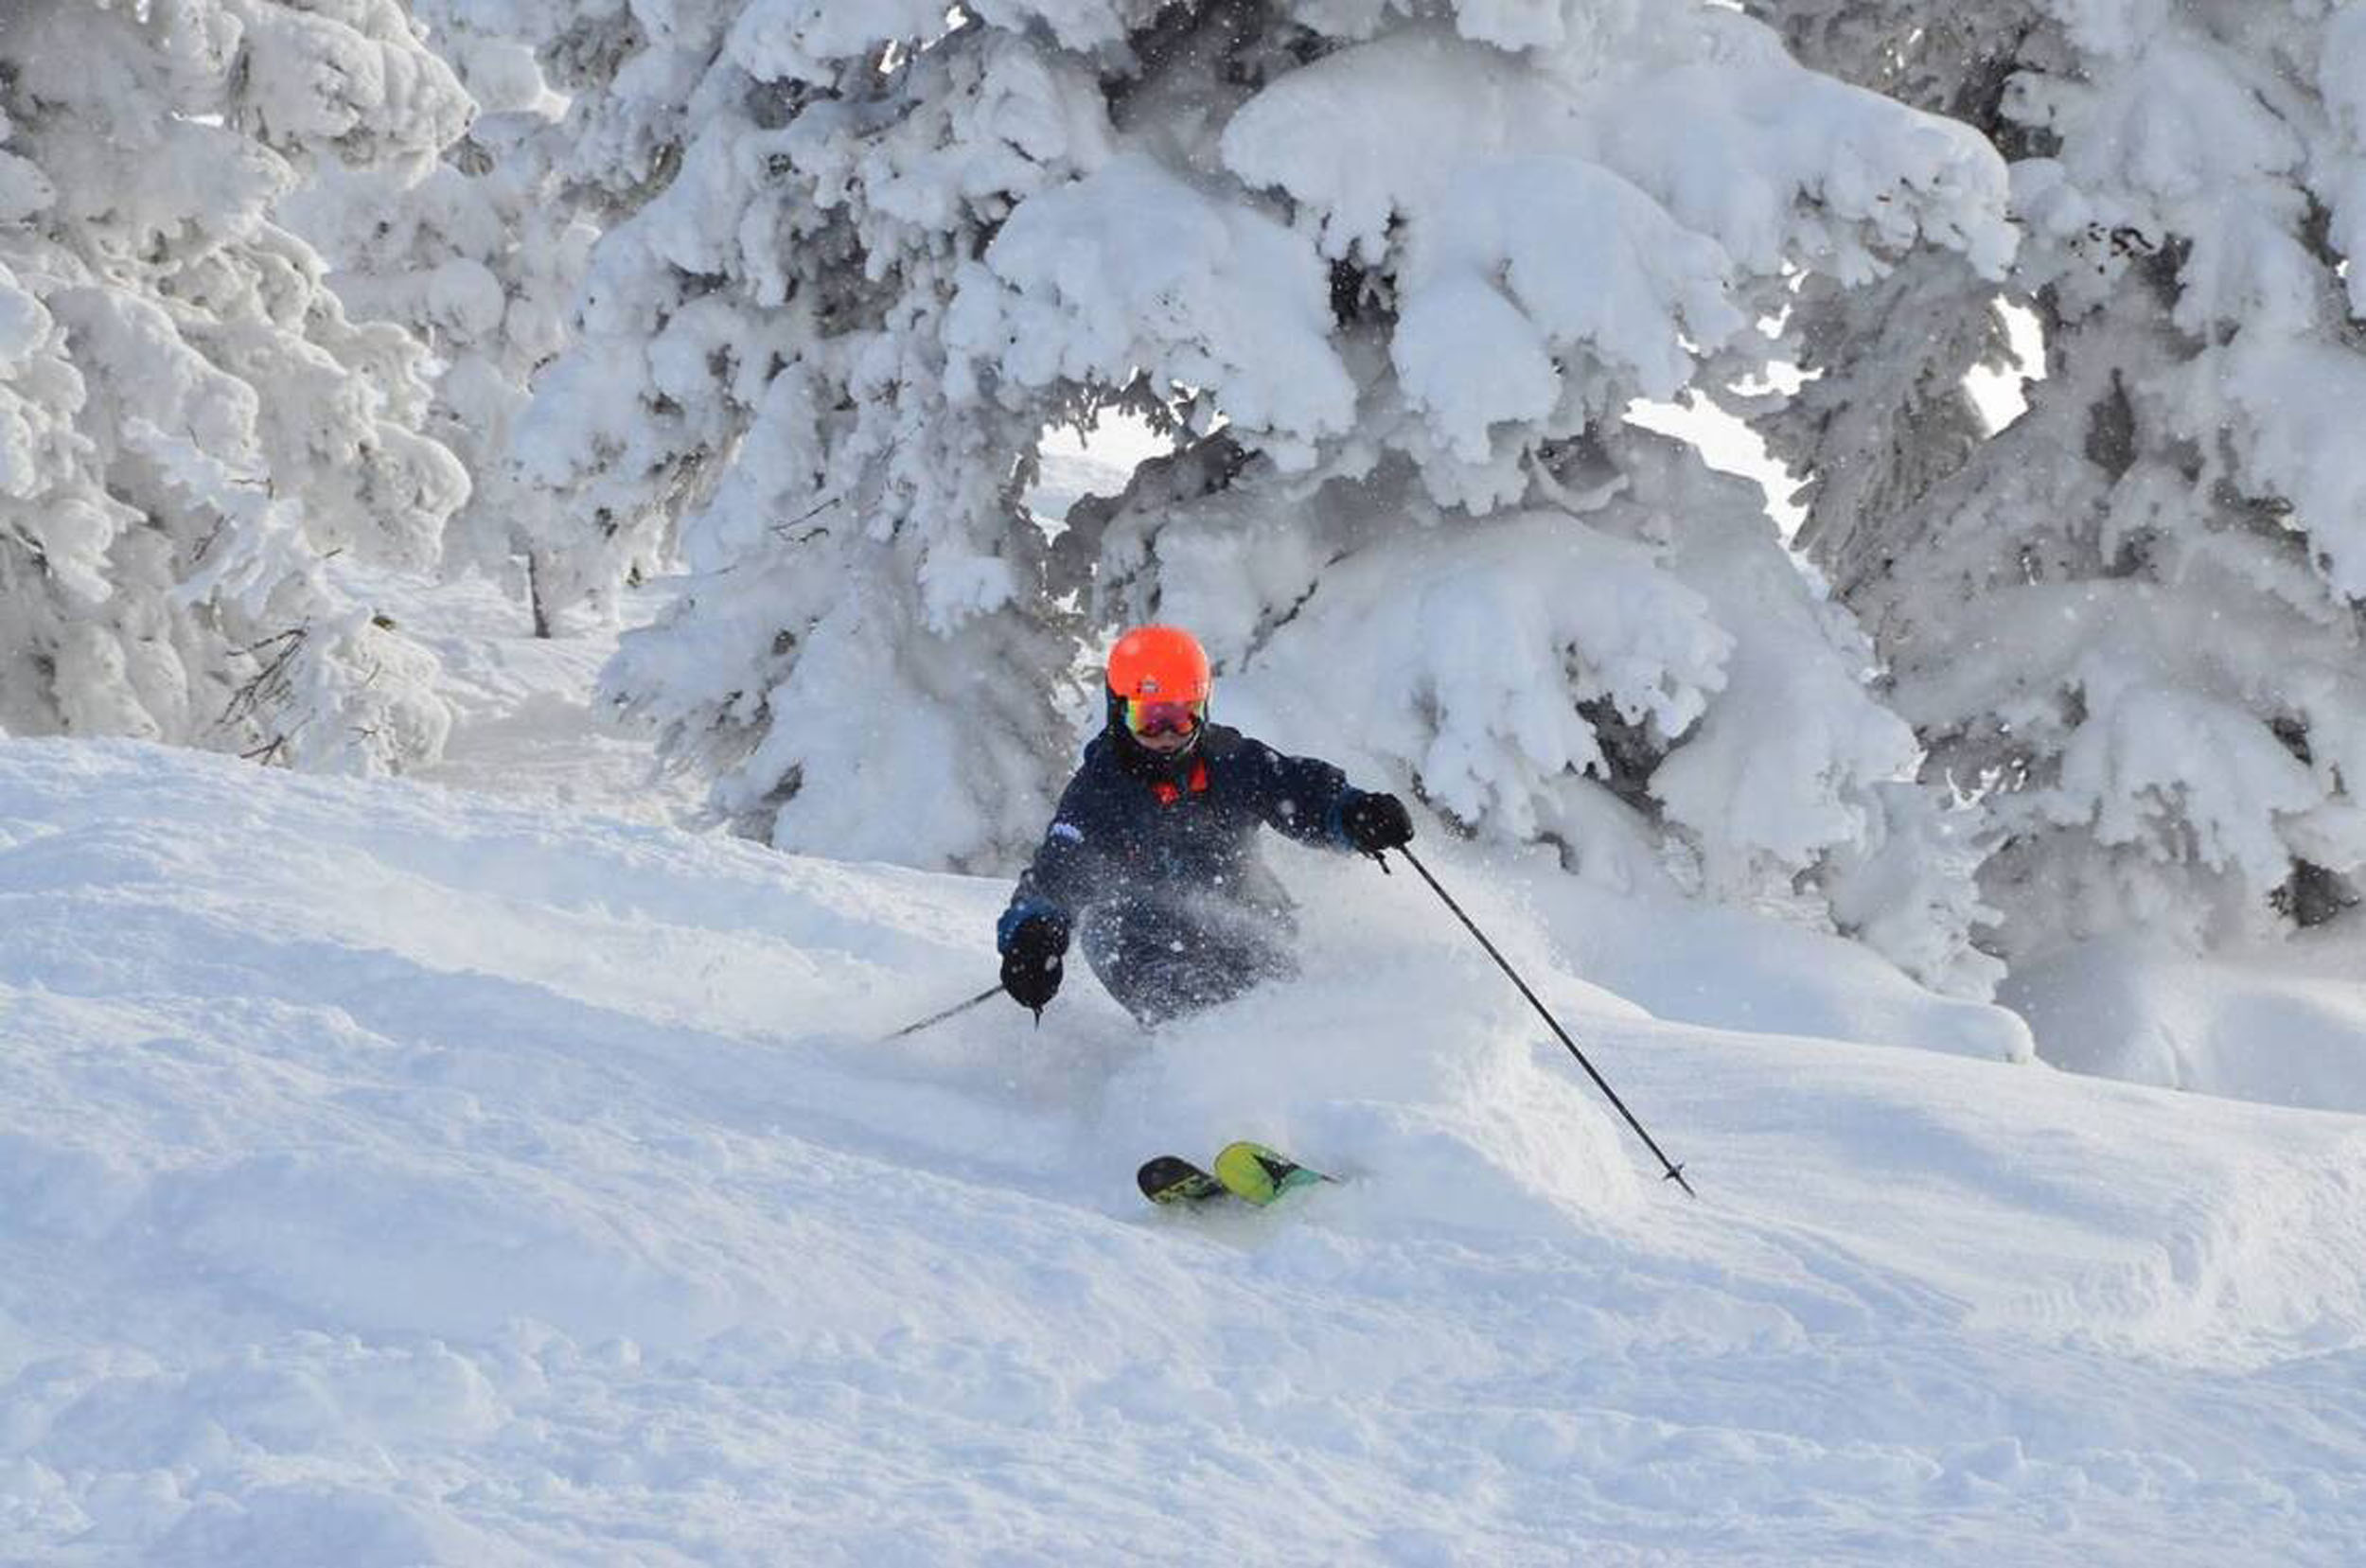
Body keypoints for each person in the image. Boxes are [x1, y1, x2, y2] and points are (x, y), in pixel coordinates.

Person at [997, 625, 1415, 1025]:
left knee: (1275, 995)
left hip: (1245, 917)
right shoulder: (1099, 793)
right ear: (1118, 710)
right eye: (1149, 718)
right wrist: (1034, 934)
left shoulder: (1231, 761)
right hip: (1146, 936)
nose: (1166, 735)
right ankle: (1198, 1050)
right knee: (1104, 930)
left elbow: (1297, 790)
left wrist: (1352, 813)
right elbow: (1056, 874)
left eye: (1182, 717)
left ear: (1203, 708)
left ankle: (1301, 1044)